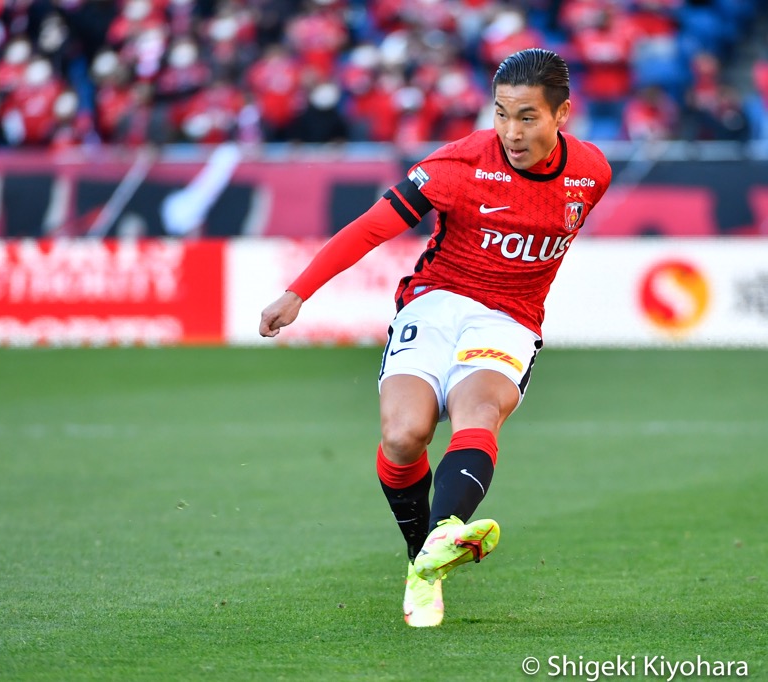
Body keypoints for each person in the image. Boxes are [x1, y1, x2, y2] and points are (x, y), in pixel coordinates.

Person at [258, 48, 611, 627]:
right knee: (404, 435)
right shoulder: (459, 164)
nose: (510, 132)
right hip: (436, 300)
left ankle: (441, 542)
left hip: (509, 318)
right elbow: (374, 226)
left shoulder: (592, 173)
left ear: (562, 115)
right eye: (500, 114)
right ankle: (422, 559)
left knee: (478, 407)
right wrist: (298, 292)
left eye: (527, 117)